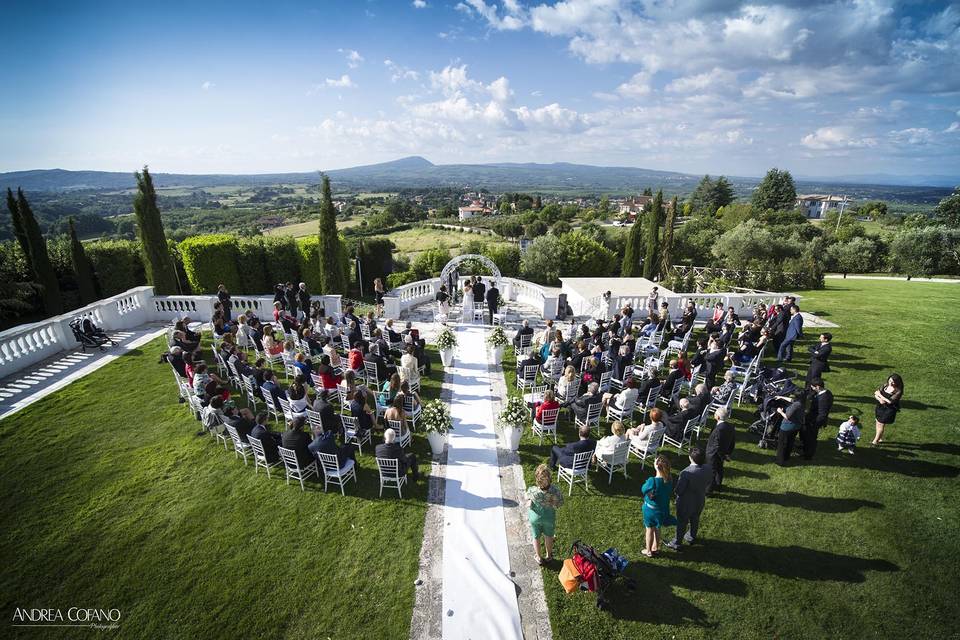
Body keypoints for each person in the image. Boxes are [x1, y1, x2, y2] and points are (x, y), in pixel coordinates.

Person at [665, 447, 712, 550]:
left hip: (685, 503)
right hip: (700, 500)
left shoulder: (686, 473)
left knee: (682, 522)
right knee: (695, 519)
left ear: (691, 458)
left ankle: (676, 543)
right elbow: (709, 482)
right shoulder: (708, 468)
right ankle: (691, 537)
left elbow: (679, 490)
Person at [526, 463, 564, 565]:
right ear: (550, 478)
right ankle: (549, 556)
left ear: (537, 480)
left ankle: (538, 557)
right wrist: (553, 503)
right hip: (549, 518)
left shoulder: (533, 491)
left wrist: (530, 500)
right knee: (549, 536)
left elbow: (527, 497)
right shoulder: (555, 491)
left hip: (535, 517)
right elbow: (560, 503)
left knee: (536, 536)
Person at [641, 455, 676, 557]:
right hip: (662, 509)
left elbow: (643, 489)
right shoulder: (669, 479)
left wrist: (654, 474)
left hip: (651, 510)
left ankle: (648, 551)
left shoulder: (652, 480)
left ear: (656, 466)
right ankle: (656, 547)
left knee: (649, 529)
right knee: (657, 527)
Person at [802, 378, 833, 460]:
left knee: (811, 439)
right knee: (807, 436)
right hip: (812, 419)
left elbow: (822, 415)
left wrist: (814, 425)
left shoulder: (823, 399)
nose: (812, 388)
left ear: (818, 387)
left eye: (813, 387)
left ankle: (808, 455)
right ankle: (805, 448)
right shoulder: (827, 392)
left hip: (814, 422)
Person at [705, 407, 734, 490]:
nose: (714, 414)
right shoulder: (730, 427)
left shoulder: (718, 429)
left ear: (717, 417)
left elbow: (717, 445)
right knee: (719, 469)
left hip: (713, 454)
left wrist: (723, 456)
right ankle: (718, 485)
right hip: (722, 453)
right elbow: (732, 441)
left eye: (715, 413)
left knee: (711, 472)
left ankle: (709, 490)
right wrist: (727, 453)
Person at [872, 373, 904, 446]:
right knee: (877, 421)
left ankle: (875, 441)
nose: (890, 383)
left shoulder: (898, 391)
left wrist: (880, 396)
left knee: (881, 423)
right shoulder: (885, 385)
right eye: (890, 381)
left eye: (893, 382)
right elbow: (875, 393)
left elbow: (890, 401)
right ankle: (879, 438)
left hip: (889, 409)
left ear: (897, 382)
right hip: (880, 406)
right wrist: (880, 400)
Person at [775, 393, 804, 466]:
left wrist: (780, 411)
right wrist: (781, 397)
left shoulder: (795, 405)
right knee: (789, 442)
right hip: (796, 427)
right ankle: (786, 457)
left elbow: (787, 416)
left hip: (787, 427)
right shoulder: (801, 402)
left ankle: (780, 461)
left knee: (782, 444)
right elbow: (791, 400)